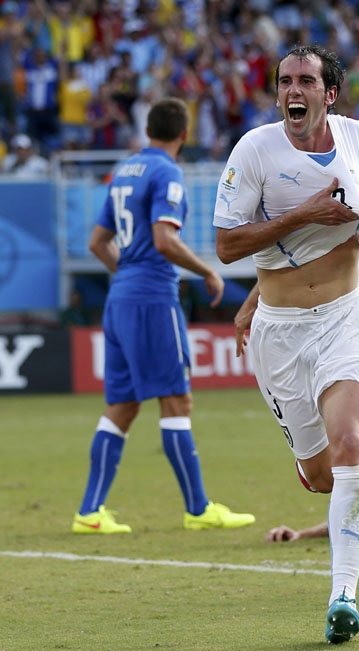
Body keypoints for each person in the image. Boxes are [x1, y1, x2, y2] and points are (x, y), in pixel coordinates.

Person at [217, 46, 359, 644]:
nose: (292, 90)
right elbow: (228, 246)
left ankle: (343, 597)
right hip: (279, 332)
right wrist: (301, 216)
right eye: (284, 82)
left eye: (305, 80)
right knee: (323, 473)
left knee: (349, 441)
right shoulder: (254, 151)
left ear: (329, 92)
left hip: (345, 318)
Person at [73, 98, 254, 537]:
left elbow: (99, 242)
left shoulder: (125, 171)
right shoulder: (167, 171)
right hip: (152, 298)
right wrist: (208, 270)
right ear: (184, 134)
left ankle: (90, 512)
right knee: (177, 399)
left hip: (120, 298)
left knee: (122, 405)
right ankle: (197, 508)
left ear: (149, 129)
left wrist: (128, 276)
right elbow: (164, 240)